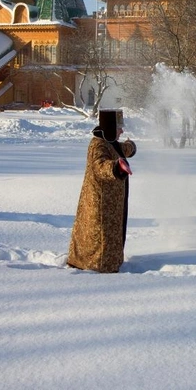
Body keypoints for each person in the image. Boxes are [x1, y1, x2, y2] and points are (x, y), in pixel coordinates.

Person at [67, 109, 136, 273]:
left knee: (110, 235)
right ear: (111, 127)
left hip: (111, 204)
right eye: (119, 127)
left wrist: (130, 147)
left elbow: (119, 149)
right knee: (99, 236)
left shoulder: (109, 141)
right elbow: (100, 166)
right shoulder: (98, 144)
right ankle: (98, 265)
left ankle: (107, 261)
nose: (122, 130)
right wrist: (116, 168)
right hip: (101, 203)